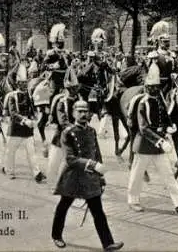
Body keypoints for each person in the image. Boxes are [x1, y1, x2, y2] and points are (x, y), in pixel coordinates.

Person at [51, 100, 124, 251]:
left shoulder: (91, 131)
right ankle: (56, 235)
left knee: (98, 211)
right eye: (80, 111)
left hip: (89, 177)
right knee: (64, 206)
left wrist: (100, 174)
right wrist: (92, 165)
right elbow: (70, 159)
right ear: (73, 113)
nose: (83, 114)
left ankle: (108, 243)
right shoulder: (67, 133)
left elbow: (96, 153)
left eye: (86, 111)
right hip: (72, 177)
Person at [127, 62, 178, 214]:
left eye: (157, 86)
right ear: (146, 87)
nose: (155, 89)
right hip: (144, 145)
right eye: (152, 87)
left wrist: (170, 126)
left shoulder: (159, 99)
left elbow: (164, 115)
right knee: (137, 175)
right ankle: (133, 200)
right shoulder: (142, 103)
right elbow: (143, 128)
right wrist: (161, 141)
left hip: (158, 147)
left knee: (169, 176)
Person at [3, 64, 46, 182]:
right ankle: (9, 170)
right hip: (16, 128)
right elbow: (13, 113)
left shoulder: (28, 95)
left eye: (25, 82)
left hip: (27, 129)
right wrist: (25, 120)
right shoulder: (13, 96)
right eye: (21, 83)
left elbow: (31, 110)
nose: (24, 85)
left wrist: (35, 117)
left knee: (31, 152)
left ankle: (36, 173)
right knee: (11, 151)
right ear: (17, 84)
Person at [46, 68, 81, 187]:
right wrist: (75, 127)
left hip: (75, 136)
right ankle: (52, 184)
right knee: (54, 163)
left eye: (75, 88)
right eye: (71, 89)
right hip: (61, 136)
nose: (74, 91)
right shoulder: (62, 102)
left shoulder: (79, 101)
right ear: (67, 89)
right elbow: (63, 120)